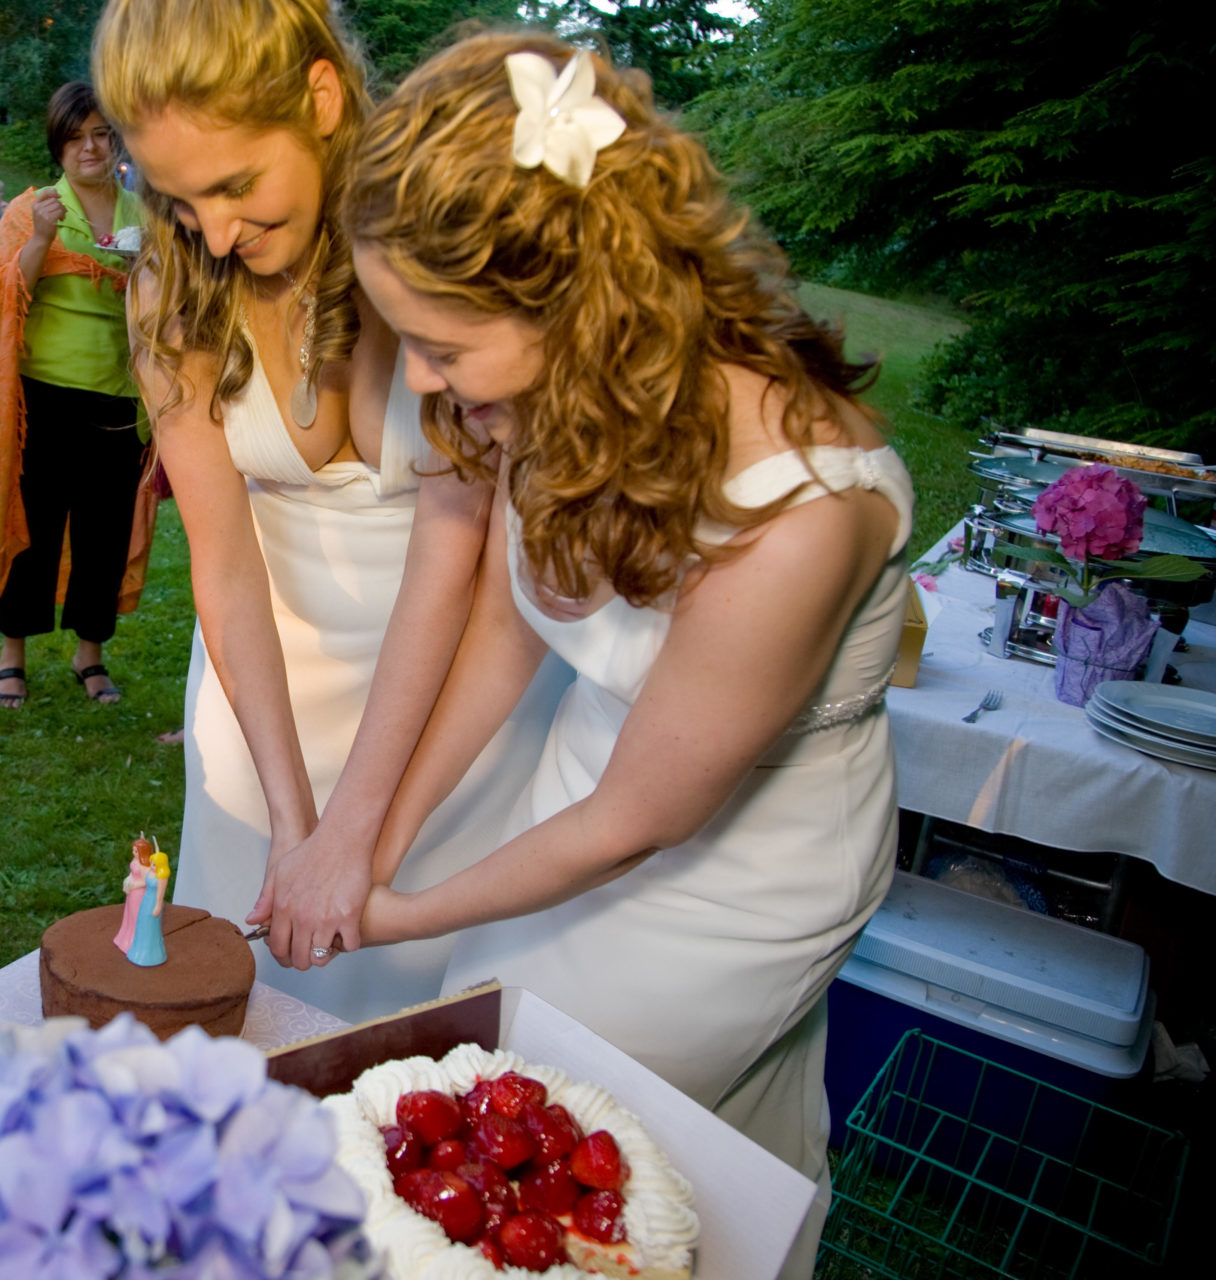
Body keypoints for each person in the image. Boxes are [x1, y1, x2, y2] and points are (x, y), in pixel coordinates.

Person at [343, 34, 913, 1272]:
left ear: (572, 299)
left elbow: (641, 813)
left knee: (556, 1134)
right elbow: (508, 624)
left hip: (741, 863)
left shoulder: (805, 505)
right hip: (588, 781)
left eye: (440, 346)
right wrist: (375, 834)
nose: (423, 382)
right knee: (589, 1111)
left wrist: (399, 909)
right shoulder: (559, 390)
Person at [91, 0, 568, 1022]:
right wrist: (290, 812)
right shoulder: (171, 283)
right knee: (250, 1017)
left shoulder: (433, 243)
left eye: (232, 185)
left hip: (447, 697)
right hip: (263, 692)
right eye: (177, 197)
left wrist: (356, 828)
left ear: (319, 98)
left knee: (420, 1028)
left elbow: (459, 552)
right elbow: (223, 562)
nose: (213, 232)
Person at [0, 82, 156, 710]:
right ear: (59, 144)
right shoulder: (35, 207)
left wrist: (147, 278)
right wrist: (41, 242)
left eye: (101, 134)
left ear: (116, 141)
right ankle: (12, 655)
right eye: (76, 137)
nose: (90, 147)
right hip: (42, 398)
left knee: (104, 533)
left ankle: (91, 654)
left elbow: (170, 306)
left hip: (118, 398)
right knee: (34, 528)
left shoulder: (144, 215)